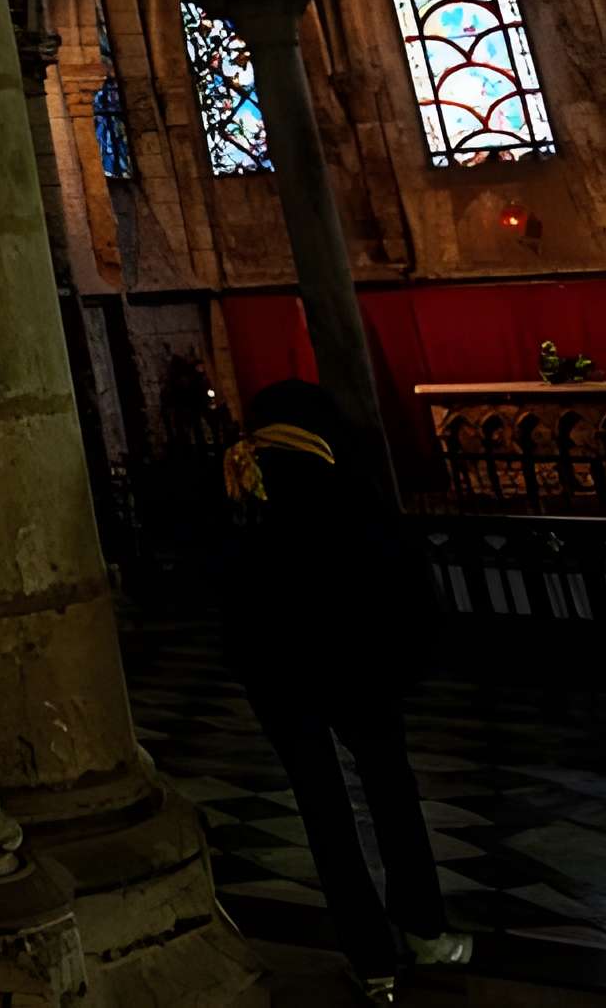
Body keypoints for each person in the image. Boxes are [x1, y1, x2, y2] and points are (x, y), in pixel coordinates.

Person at [217, 378, 474, 1003]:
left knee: (324, 815)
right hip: (360, 673)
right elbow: (402, 583)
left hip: (283, 682)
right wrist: (407, 664)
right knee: (391, 793)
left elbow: (227, 596)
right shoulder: (342, 482)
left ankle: (370, 960)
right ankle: (424, 930)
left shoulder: (241, 490)